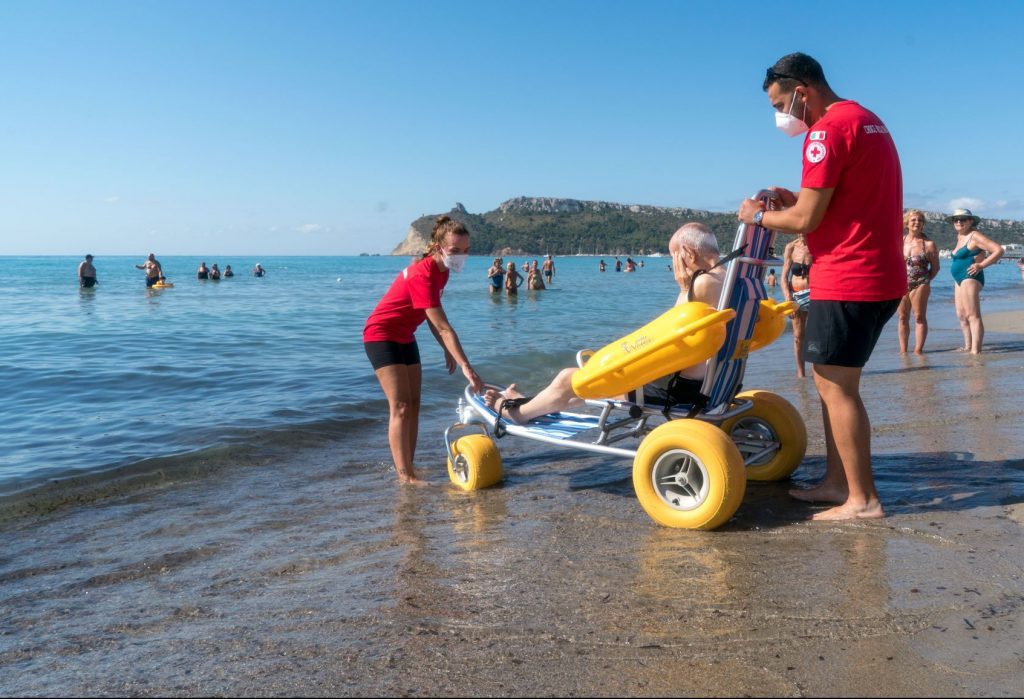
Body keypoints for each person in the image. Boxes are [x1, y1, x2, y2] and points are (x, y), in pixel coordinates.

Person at [737, 53, 906, 521]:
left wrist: (757, 215)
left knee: (837, 388)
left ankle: (862, 500)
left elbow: (804, 220)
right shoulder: (866, 120)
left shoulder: (825, 133)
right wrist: (795, 201)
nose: (781, 115)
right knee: (835, 384)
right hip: (879, 274)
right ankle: (838, 483)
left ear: (802, 91)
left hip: (848, 275)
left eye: (781, 104)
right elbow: (842, 201)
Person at [484, 223, 724, 423]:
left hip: (678, 390)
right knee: (589, 384)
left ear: (689, 254)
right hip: (714, 384)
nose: (675, 266)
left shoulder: (701, 285)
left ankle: (517, 413)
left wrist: (684, 289)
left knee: (569, 378)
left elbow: (676, 340)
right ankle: (532, 402)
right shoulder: (735, 281)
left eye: (675, 257)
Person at [363, 216, 484, 485]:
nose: (461, 256)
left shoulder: (442, 272)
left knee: (415, 405)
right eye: (455, 251)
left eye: (465, 251)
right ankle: (405, 477)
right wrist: (466, 365)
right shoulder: (423, 273)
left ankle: (410, 467)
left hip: (405, 336)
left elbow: (430, 317)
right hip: (381, 336)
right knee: (401, 407)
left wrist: (447, 350)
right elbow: (444, 327)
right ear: (438, 247)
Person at [948, 208, 1003, 354]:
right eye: (956, 219)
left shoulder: (975, 236)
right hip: (958, 279)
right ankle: (967, 346)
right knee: (961, 315)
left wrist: (981, 265)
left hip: (970, 277)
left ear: (971, 221)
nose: (959, 221)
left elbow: (998, 250)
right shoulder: (960, 237)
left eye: (963, 219)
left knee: (973, 315)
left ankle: (975, 350)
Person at [897, 210, 940, 355]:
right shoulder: (898, 241)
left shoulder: (928, 244)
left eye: (920, 220)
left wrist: (925, 281)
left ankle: (917, 351)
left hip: (921, 282)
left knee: (919, 317)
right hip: (900, 284)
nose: (917, 222)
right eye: (914, 220)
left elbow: (935, 268)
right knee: (902, 317)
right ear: (907, 223)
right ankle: (903, 351)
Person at [780, 234, 813, 378]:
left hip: (816, 293)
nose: (802, 232)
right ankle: (801, 373)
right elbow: (783, 277)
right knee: (798, 336)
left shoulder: (816, 245)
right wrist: (788, 298)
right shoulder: (791, 247)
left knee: (815, 334)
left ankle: (818, 370)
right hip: (797, 295)